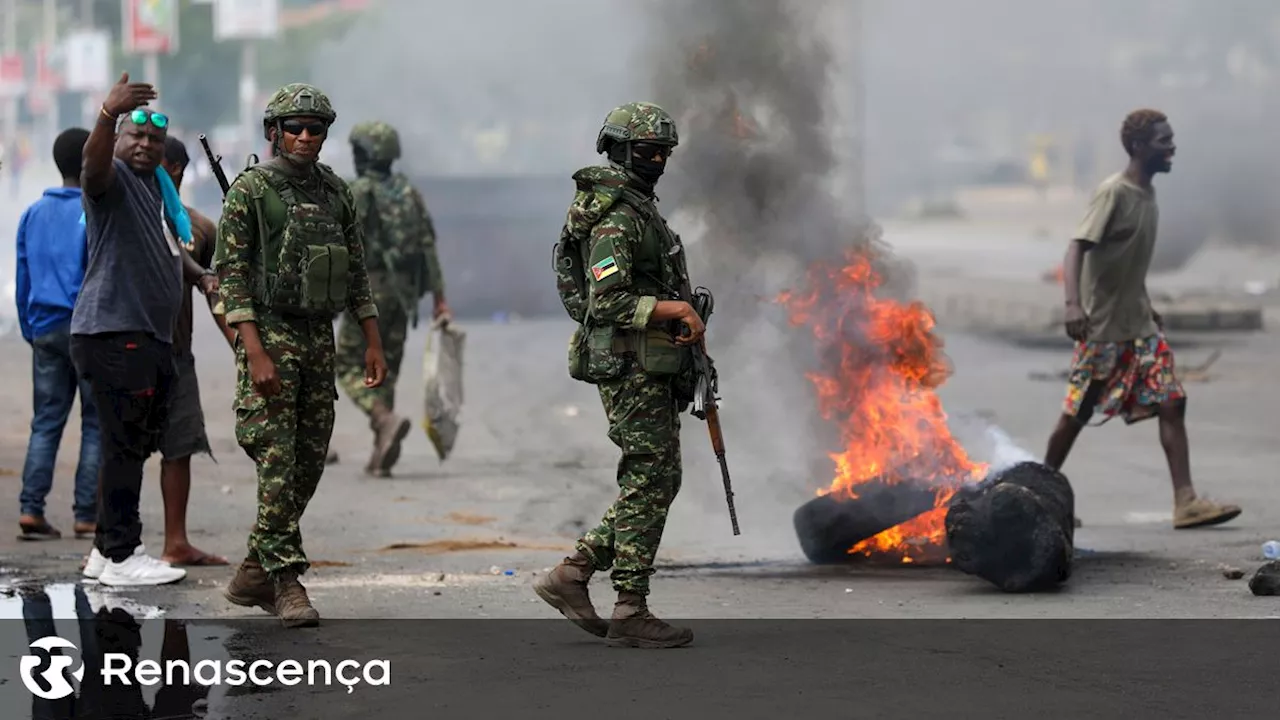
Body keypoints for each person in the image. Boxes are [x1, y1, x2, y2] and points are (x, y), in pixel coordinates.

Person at [215, 83, 388, 628]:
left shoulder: (336, 192)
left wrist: (372, 339)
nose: (306, 137)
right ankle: (286, 581)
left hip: (318, 339)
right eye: (296, 128)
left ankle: (252, 571)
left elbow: (356, 270)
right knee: (277, 461)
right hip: (270, 336)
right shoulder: (250, 191)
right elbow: (232, 278)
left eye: (316, 129)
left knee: (308, 463)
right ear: (274, 133)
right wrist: (255, 351)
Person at [534, 102, 703, 649]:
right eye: (646, 151)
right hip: (630, 364)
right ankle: (629, 605)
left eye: (663, 152)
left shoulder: (636, 208)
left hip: (649, 361)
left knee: (659, 478)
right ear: (616, 150)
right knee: (649, 476)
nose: (656, 160)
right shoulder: (615, 216)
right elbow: (606, 303)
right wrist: (674, 311)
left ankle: (575, 573)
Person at [1044, 108, 1242, 530]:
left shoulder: (1149, 194)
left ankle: (1185, 502)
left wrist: (1146, 304)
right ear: (1138, 147)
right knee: (1078, 411)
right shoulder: (1113, 193)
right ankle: (1040, 491)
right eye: (1162, 141)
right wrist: (1072, 305)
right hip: (1103, 330)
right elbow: (1076, 248)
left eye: (1171, 139)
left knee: (1173, 401)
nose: (1172, 147)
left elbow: (1126, 262)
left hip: (1139, 329)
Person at [72, 73, 216, 587]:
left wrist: (201, 278)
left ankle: (100, 553)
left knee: (125, 443)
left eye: (155, 140)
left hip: (142, 336)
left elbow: (170, 252)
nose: (147, 146)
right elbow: (90, 166)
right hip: (117, 331)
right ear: (119, 141)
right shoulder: (109, 178)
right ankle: (122, 554)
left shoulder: (155, 190)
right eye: (137, 137)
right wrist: (108, 114)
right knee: (125, 446)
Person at [334, 120, 449, 476]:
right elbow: (428, 247)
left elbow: (344, 245)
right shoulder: (408, 192)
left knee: (348, 365)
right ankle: (381, 449)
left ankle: (383, 419)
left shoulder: (359, 192)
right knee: (384, 370)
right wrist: (439, 299)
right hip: (404, 296)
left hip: (368, 293)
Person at [15, 127, 100, 541]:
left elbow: (23, 277)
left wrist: (30, 328)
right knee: (95, 424)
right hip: (86, 329)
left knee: (46, 423)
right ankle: (86, 514)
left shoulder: (33, 212)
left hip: (44, 328)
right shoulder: (92, 209)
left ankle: (31, 509)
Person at [156, 134, 235, 567]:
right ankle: (109, 546)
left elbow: (217, 295)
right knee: (118, 449)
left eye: (168, 168)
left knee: (180, 445)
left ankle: (176, 542)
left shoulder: (199, 228)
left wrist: (244, 349)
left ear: (180, 173)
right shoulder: (120, 216)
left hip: (176, 354)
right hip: (127, 352)